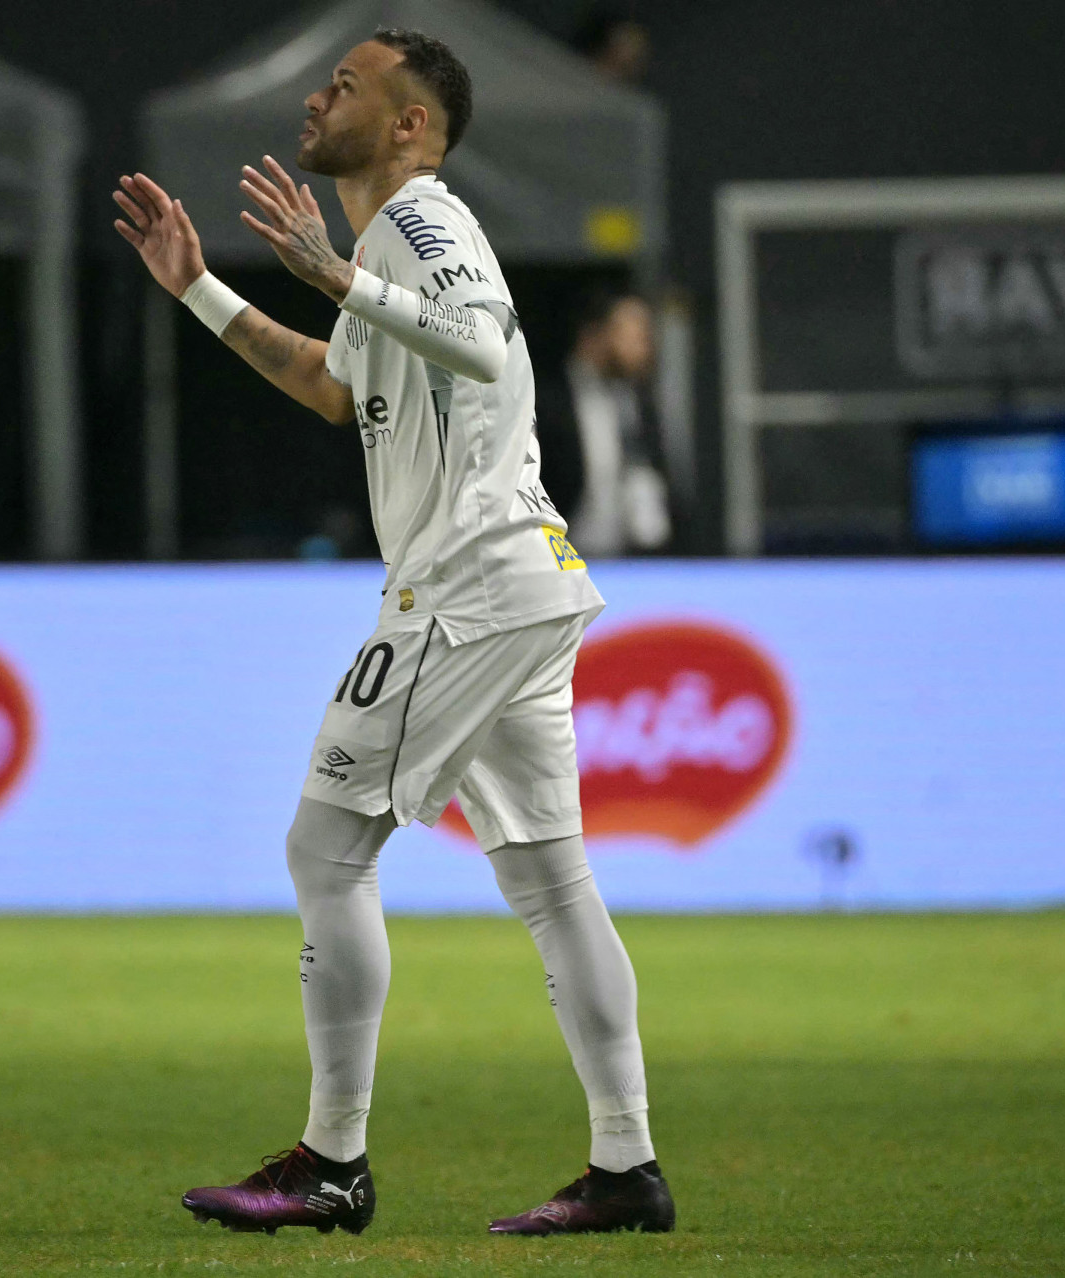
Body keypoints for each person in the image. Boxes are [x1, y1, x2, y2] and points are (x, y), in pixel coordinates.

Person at [112, 28, 672, 1238]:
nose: (317, 97)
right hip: (524, 577)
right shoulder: (392, 245)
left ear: (412, 123)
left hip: (466, 587)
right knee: (550, 879)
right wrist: (201, 288)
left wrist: (334, 273)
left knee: (327, 850)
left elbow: (476, 340)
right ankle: (626, 1167)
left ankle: (332, 1162)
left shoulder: (419, 225)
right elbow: (335, 386)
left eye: (348, 85)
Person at [538, 290, 674, 556]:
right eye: (631, 334)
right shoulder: (548, 402)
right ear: (593, 335)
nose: (644, 346)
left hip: (638, 564)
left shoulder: (641, 403)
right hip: (564, 559)